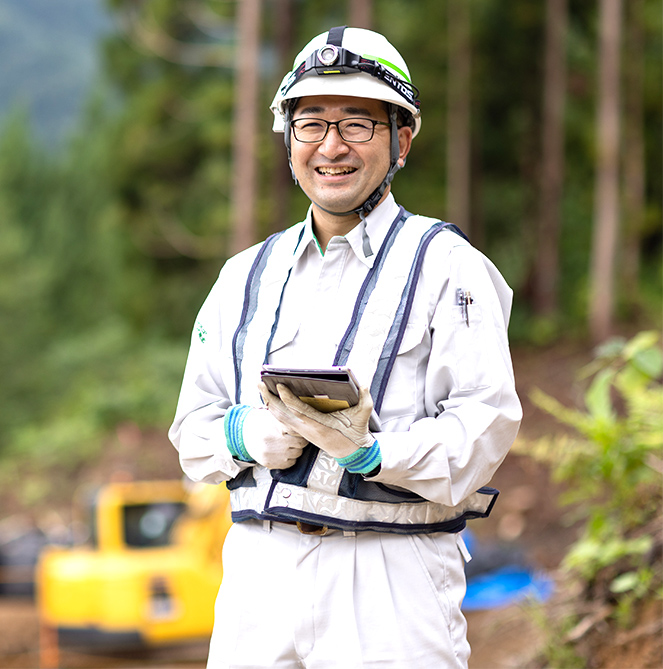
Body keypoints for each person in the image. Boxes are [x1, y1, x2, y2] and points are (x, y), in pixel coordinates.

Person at [169, 26, 521, 669]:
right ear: (289, 138)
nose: (331, 146)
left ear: (401, 139)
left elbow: (486, 423)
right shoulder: (244, 275)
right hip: (259, 576)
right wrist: (243, 435)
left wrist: (375, 453)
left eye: (357, 123)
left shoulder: (447, 267)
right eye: (311, 124)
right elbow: (192, 424)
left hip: (391, 580)